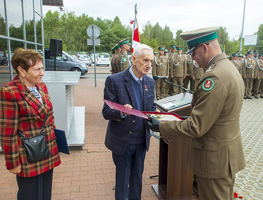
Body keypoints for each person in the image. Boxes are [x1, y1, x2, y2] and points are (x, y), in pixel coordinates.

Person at [147, 27, 246, 200]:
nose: (192, 58)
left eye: (193, 53)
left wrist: (161, 126)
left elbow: (197, 127)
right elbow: (217, 115)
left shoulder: (214, 77)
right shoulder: (228, 68)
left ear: (205, 48)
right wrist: (188, 118)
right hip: (224, 154)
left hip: (214, 159)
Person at [0, 48, 61, 200]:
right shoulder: (8, 92)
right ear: (21, 70)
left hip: (47, 149)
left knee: (45, 194)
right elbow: (7, 133)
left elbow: (49, 116)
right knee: (30, 195)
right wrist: (12, 163)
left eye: (42, 68)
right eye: (37, 69)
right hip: (28, 154)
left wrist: (56, 138)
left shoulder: (41, 86)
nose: (42, 73)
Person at [102, 44, 157, 200]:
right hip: (122, 142)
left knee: (137, 180)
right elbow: (106, 112)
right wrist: (121, 112)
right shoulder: (114, 80)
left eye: (151, 61)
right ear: (134, 59)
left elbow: (151, 107)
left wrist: (156, 116)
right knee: (123, 182)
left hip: (141, 141)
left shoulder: (149, 82)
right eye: (145, 60)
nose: (149, 65)